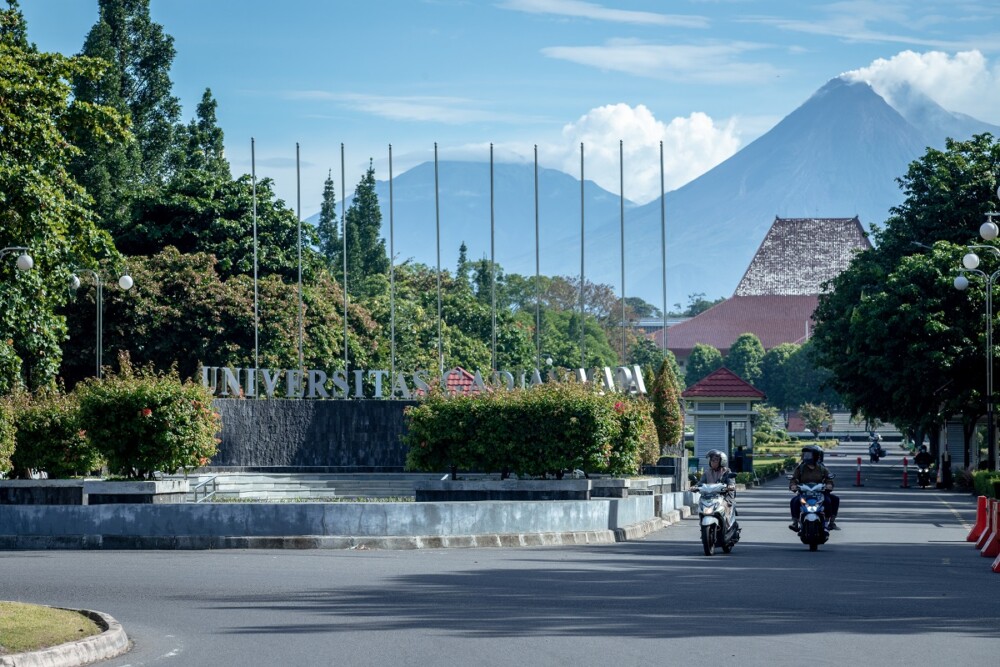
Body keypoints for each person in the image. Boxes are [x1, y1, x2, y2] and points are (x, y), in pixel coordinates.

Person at [789, 445, 840, 531]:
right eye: (806, 455)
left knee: (832, 500)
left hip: (820, 493)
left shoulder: (822, 468)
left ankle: (830, 522)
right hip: (804, 493)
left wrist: (829, 485)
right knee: (794, 501)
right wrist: (793, 485)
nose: (807, 457)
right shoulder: (800, 468)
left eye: (809, 455)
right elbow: (794, 479)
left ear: (816, 456)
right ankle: (795, 523)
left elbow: (829, 479)